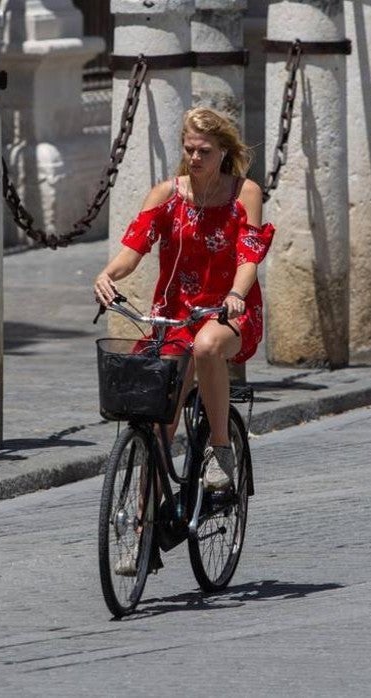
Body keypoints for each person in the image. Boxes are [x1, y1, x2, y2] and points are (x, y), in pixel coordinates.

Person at [94, 107, 275, 495]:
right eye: (189, 149)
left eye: (204, 151)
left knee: (207, 346)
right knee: (158, 418)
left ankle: (220, 449)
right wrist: (107, 274)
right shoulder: (166, 195)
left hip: (229, 309)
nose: (195, 157)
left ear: (223, 152)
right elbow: (134, 249)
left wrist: (236, 294)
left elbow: (249, 256)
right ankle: (143, 518)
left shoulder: (245, 193)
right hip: (175, 314)